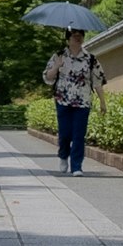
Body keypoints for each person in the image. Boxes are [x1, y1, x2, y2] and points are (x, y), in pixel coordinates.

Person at [42, 33, 103, 173]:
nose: (78, 38)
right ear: (68, 39)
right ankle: (63, 156)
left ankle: (76, 166)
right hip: (63, 99)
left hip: (83, 101)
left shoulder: (90, 58)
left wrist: (102, 102)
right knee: (65, 133)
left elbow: (98, 81)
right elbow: (48, 78)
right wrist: (56, 66)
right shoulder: (59, 56)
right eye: (74, 36)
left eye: (80, 35)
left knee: (78, 135)